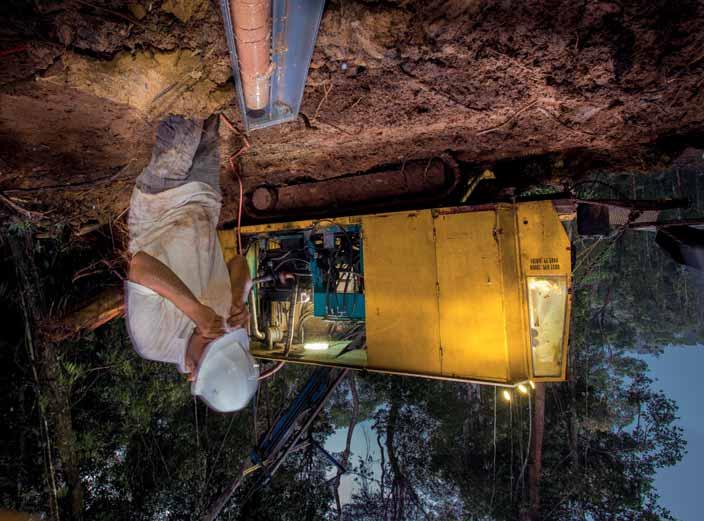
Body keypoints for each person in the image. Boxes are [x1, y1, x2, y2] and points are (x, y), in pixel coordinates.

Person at [125, 114, 258, 412]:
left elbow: (140, 266)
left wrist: (197, 312)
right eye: (228, 339)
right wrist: (238, 298)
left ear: (193, 371)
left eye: (215, 344)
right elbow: (239, 265)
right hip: (205, 200)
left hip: (159, 205)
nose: (222, 334)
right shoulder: (228, 333)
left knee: (186, 117)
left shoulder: (154, 341)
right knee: (209, 123)